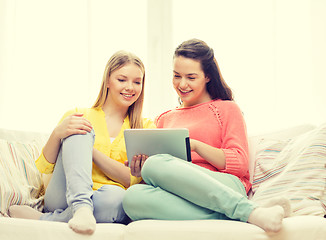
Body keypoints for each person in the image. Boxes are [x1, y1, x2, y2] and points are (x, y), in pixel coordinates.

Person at [122, 39, 291, 232]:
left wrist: (195, 146)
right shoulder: (163, 118)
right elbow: (163, 173)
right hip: (180, 192)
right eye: (177, 76)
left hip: (225, 185)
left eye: (191, 77)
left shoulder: (226, 109)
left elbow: (240, 163)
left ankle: (239, 207)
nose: (182, 84)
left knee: (155, 163)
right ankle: (248, 212)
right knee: (132, 197)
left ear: (207, 76)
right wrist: (141, 167)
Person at [9, 50, 155, 235]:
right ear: (108, 81)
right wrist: (57, 134)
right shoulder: (79, 113)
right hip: (63, 195)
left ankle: (46, 219)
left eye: (137, 82)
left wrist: (90, 151)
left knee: (119, 198)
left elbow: (130, 179)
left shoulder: (146, 127)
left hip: (107, 199)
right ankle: (81, 207)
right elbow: (46, 167)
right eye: (122, 79)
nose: (130, 87)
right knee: (80, 127)